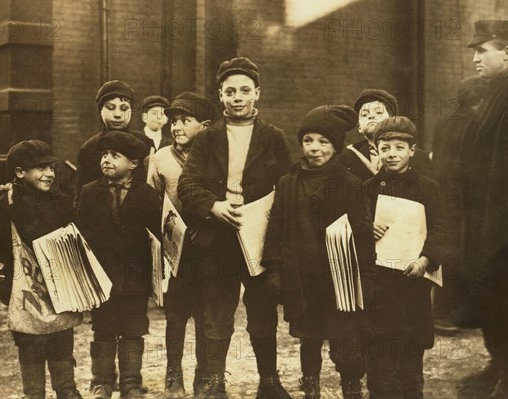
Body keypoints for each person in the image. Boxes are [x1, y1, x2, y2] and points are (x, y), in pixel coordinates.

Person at [178, 57, 292, 399]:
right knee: (216, 310)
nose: (238, 97)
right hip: (218, 238)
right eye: (230, 91)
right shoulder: (206, 138)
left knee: (262, 310)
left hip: (259, 240)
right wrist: (213, 206)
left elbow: (286, 187)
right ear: (221, 95)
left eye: (245, 90)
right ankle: (214, 383)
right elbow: (188, 185)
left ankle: (268, 382)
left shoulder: (274, 137)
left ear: (257, 93)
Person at [262, 105, 376, 399]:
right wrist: (274, 271)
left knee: (346, 342)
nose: (314, 148)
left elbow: (363, 235)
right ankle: (309, 387)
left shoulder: (351, 185)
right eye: (308, 140)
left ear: (336, 146)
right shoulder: (288, 183)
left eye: (323, 141)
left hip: (340, 281)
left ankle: (351, 387)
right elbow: (275, 229)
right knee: (308, 340)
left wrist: (365, 275)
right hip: (302, 278)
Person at [0, 140, 83, 399]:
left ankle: (67, 390)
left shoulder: (60, 201)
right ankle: (33, 394)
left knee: (62, 341)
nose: (50, 174)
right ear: (20, 173)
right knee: (29, 345)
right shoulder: (4, 205)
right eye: (40, 168)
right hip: (23, 291)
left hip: (59, 290)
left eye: (51, 167)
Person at [459, 20, 508, 399]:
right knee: (493, 297)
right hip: (489, 219)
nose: (476, 58)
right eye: (475, 52)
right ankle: (501, 365)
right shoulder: (495, 93)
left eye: (484, 50)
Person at [363, 117, 445, 399]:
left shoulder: (428, 188)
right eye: (385, 148)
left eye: (400, 147)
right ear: (377, 151)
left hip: (412, 287)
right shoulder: (368, 189)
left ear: (412, 150)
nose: (392, 154)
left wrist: (425, 260)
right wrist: (365, 228)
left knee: (410, 368)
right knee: (379, 367)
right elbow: (349, 229)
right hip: (378, 290)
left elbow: (440, 230)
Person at [77, 132, 161, 399]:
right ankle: (101, 382)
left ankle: (131, 383)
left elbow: (157, 235)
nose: (107, 160)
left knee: (133, 330)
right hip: (101, 278)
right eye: (104, 155)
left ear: (134, 164)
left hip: (135, 278)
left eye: (115, 156)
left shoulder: (148, 195)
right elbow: (80, 232)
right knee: (102, 328)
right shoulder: (89, 192)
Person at [147, 92, 217, 397]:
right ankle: (173, 375)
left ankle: (204, 375)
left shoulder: (216, 158)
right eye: (173, 120)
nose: (176, 126)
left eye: (185, 121)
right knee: (175, 317)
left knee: (205, 316)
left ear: (205, 125)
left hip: (209, 250)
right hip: (175, 252)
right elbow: (152, 200)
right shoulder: (161, 158)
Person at [430, 77, 486, 330]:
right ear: (480, 100)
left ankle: (444, 310)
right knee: (461, 253)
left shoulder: (445, 121)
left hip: (443, 194)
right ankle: (452, 312)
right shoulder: (476, 123)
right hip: (463, 199)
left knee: (448, 252)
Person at [75, 80, 153, 205]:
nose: (117, 114)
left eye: (124, 108)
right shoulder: (88, 148)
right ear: (100, 110)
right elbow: (80, 199)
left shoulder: (145, 143)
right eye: (110, 108)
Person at [338, 89, 435, 181]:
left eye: (378, 112)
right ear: (359, 127)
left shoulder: (418, 156)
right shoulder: (347, 156)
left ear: (392, 120)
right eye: (364, 115)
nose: (371, 116)